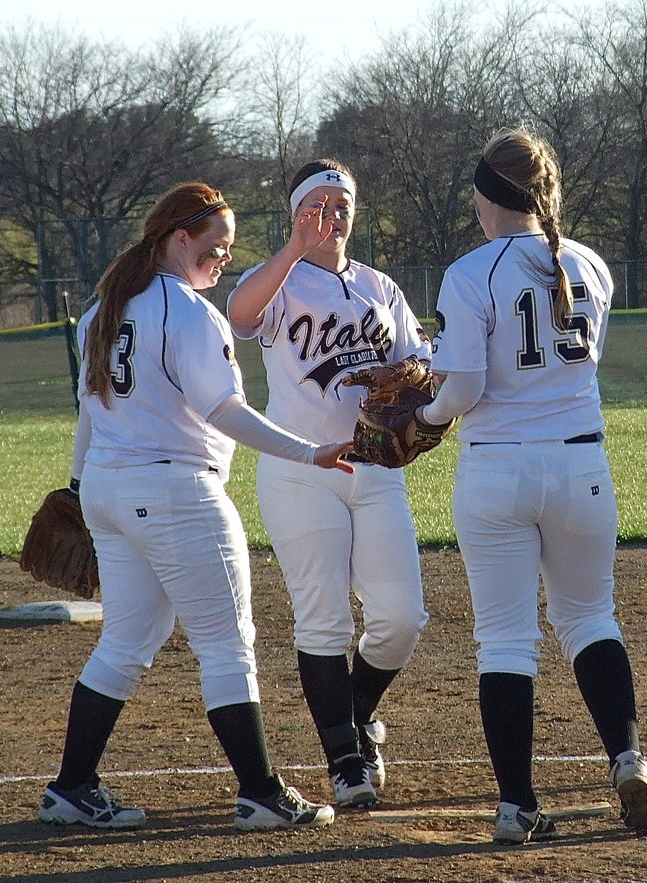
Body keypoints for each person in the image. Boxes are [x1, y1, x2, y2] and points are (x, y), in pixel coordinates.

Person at [39, 182, 353, 832]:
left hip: (109, 491)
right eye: (215, 246)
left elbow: (88, 413)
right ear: (177, 237)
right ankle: (262, 793)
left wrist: (76, 485)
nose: (222, 260)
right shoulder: (186, 312)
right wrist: (311, 452)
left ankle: (71, 786)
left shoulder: (104, 308)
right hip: (177, 494)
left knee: (126, 638)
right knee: (227, 643)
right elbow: (225, 412)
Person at [417, 126, 647, 843]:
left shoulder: (470, 271)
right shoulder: (590, 264)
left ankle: (517, 803)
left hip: (498, 466)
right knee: (590, 618)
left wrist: (426, 418)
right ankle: (627, 758)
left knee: (504, 639)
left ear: (485, 193)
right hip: (581, 463)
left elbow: (461, 388)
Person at [226, 160, 430, 808]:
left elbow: (419, 361)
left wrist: (412, 381)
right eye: (317, 204)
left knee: (400, 618)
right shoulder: (282, 283)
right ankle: (346, 760)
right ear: (295, 214)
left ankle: (357, 713)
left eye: (341, 204)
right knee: (325, 618)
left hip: (374, 468)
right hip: (301, 471)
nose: (331, 215)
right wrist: (294, 247)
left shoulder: (378, 285)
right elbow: (239, 312)